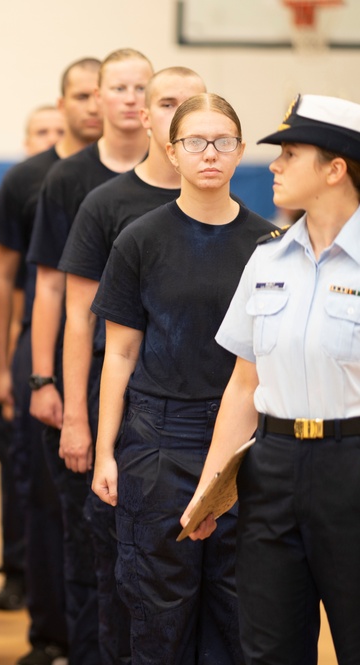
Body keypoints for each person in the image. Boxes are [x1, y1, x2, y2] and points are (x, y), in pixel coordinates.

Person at [91, 93, 272, 663]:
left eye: (223, 141)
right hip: (156, 438)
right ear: (172, 151)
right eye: (195, 142)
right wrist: (104, 452)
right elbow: (118, 354)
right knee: (156, 602)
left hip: (245, 441)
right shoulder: (141, 239)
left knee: (236, 602)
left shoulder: (269, 247)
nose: (210, 154)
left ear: (241, 152)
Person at [181, 94, 360, 664]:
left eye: (290, 153)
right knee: (268, 646)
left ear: (335, 169)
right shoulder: (267, 260)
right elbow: (242, 383)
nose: (275, 165)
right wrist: (210, 487)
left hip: (352, 467)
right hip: (273, 466)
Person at [56, 65, 206, 663]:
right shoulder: (107, 205)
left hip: (203, 416)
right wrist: (78, 418)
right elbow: (78, 320)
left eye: (192, 104)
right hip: (123, 404)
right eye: (168, 103)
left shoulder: (231, 214)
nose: (180, 115)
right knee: (123, 573)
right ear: (146, 115)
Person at [25, 47, 153, 665]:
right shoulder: (70, 182)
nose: (130, 99)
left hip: (168, 386)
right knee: (87, 534)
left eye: (141, 89)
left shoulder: (181, 178)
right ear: (98, 100)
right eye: (119, 88)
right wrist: (48, 382)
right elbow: (53, 290)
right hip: (94, 370)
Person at [0, 56, 101, 665]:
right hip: (45, 347)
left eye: (97, 93)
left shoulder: (139, 175)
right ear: (64, 102)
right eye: (79, 95)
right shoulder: (29, 180)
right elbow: (2, 275)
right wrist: (3, 362)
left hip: (113, 355)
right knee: (44, 495)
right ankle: (49, 632)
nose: (90, 105)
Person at [0, 103, 64, 613]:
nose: (49, 137)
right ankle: (16, 567)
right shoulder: (2, 197)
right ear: (27, 141)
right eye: (40, 131)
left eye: (57, 129)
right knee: (15, 464)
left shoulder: (78, 189)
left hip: (55, 340)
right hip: (21, 341)